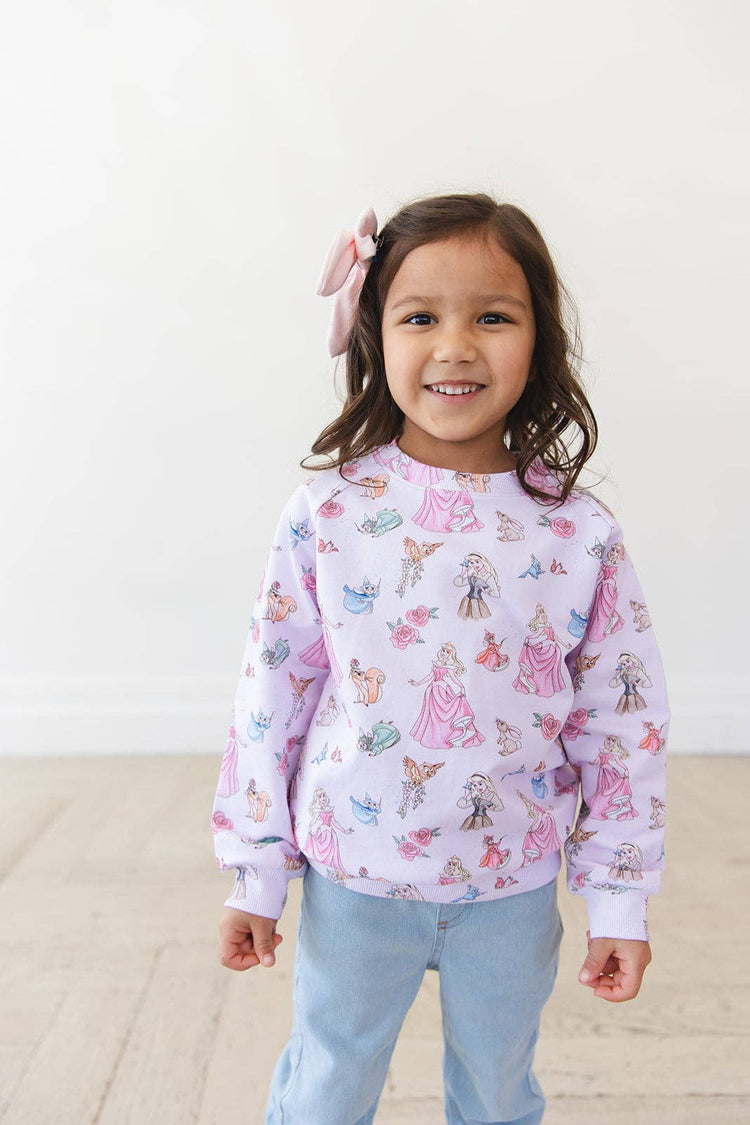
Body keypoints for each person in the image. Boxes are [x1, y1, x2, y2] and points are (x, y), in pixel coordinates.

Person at [211, 192, 671, 1125]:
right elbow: (273, 693)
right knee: (329, 1085)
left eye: (492, 317)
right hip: (355, 877)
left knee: (500, 1093)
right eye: (421, 317)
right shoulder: (329, 513)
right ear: (375, 334)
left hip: (512, 888)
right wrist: (256, 872)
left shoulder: (578, 533)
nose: (455, 346)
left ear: (539, 340)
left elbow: (623, 724)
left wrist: (619, 899)